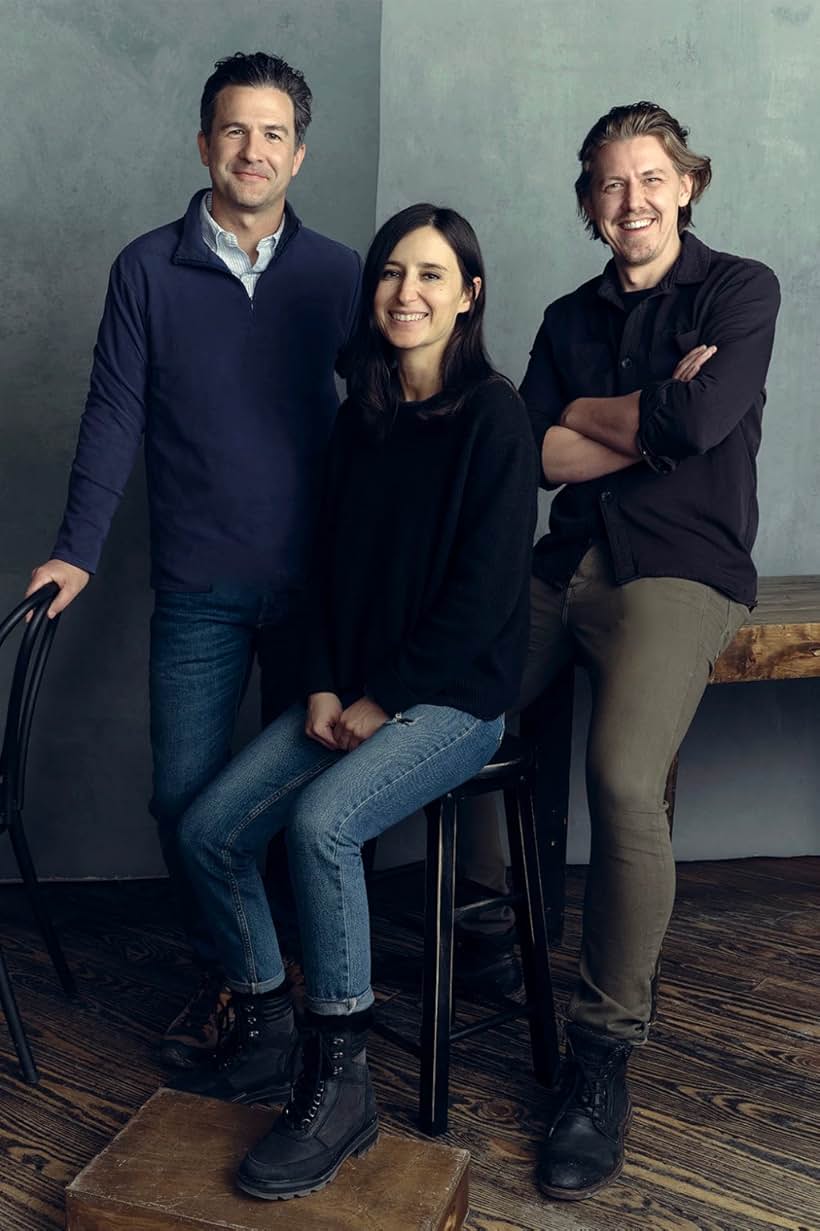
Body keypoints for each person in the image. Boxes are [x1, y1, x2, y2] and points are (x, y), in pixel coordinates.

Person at [171, 203, 538, 1201]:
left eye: (430, 275)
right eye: (391, 273)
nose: (405, 292)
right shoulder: (361, 417)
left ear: (469, 295)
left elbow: (485, 597)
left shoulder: (495, 416)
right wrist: (328, 682)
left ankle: (340, 1087)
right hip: (359, 691)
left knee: (322, 825)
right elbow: (323, 573)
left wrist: (383, 698)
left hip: (454, 699)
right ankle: (261, 1022)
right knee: (207, 827)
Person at [25, 53, 362, 1068]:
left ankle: (300, 986)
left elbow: (395, 420)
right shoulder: (145, 269)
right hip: (201, 585)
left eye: (272, 133)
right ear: (203, 143)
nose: (251, 150)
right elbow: (112, 414)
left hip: (319, 592)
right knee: (185, 800)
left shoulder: (342, 274)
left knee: (316, 799)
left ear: (298, 153)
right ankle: (251, 984)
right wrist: (75, 551)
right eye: (233, 130)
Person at [473, 101, 780, 1201]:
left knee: (618, 776)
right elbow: (538, 455)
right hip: (568, 567)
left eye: (650, 179)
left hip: (680, 570)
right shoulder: (565, 314)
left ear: (686, 184)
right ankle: (500, 941)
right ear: (589, 204)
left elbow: (699, 430)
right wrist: (648, 410)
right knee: (454, 720)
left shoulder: (740, 290)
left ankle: (603, 1049)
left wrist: (638, 418)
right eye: (609, 184)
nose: (631, 201)